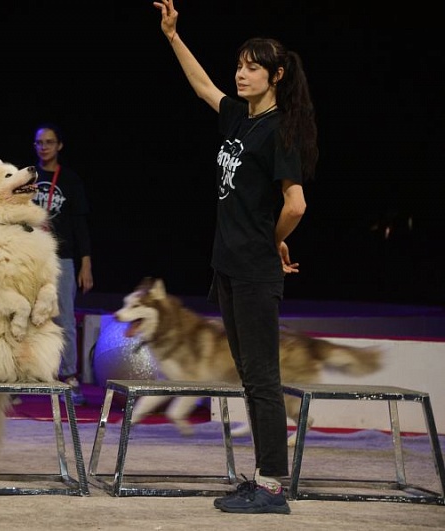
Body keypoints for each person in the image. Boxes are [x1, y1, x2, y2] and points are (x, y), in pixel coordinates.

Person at [152, 0, 318, 515]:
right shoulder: (238, 119)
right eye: (240, 65)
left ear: (277, 75)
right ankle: (265, 477)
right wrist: (173, 36)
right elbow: (203, 86)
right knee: (249, 376)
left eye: (252, 67)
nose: (241, 74)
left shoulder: (278, 131)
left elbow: (296, 204)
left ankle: (272, 487)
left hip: (253, 272)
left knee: (262, 379)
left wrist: (272, 240)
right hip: (229, 267)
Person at [30, 123, 94, 406]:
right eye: (39, 143)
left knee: (64, 318)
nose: (43, 147)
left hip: (63, 258)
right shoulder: (27, 179)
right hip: (32, 258)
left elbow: (80, 223)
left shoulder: (69, 180)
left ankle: (69, 377)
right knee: (27, 317)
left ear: (59, 146)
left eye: (49, 142)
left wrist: (86, 263)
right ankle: (25, 376)